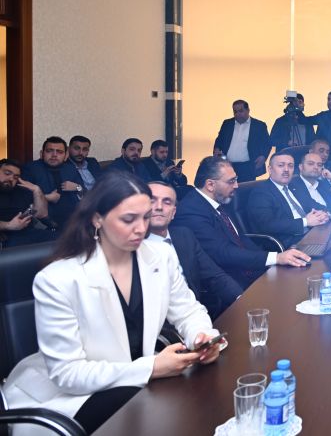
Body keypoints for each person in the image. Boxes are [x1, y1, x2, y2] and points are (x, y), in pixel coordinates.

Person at [0, 173, 222, 435]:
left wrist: (202, 337)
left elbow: (187, 310)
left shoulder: (161, 256)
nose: (141, 229)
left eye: (146, 217)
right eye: (128, 219)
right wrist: (150, 368)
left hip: (143, 382)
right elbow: (68, 374)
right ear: (97, 219)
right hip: (76, 395)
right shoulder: (57, 279)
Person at [171, 156, 310, 289]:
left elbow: (241, 239)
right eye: (231, 181)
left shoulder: (219, 201)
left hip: (244, 268)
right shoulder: (191, 211)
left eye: (236, 180)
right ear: (210, 185)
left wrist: (274, 261)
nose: (236, 186)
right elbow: (222, 252)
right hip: (226, 280)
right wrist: (275, 258)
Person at [146, 181, 241, 319]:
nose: (159, 207)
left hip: (199, 315)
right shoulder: (132, 249)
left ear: (173, 213)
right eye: (152, 201)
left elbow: (215, 276)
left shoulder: (184, 236)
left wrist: (241, 298)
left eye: (167, 202)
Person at [246, 151, 330, 248]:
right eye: (281, 165)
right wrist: (305, 221)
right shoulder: (261, 192)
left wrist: (325, 214)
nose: (286, 170)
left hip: (311, 233)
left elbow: (314, 205)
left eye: (290, 166)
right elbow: (267, 224)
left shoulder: (295, 186)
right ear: (270, 169)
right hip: (289, 243)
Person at [23, 136, 84, 228]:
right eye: (49, 151)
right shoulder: (31, 169)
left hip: (74, 218)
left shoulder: (70, 168)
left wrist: (77, 187)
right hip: (45, 221)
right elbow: (23, 198)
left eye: (59, 152)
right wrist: (45, 197)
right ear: (42, 154)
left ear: (66, 156)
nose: (54, 155)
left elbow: (84, 191)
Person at [213, 99, 271, 182]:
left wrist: (263, 156)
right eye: (235, 112)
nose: (238, 114)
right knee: (228, 188)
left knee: (246, 188)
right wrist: (217, 149)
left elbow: (266, 143)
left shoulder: (259, 125)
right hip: (228, 165)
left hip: (248, 167)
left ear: (248, 110)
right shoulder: (227, 124)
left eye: (241, 111)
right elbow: (219, 139)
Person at [0, 158, 51, 248]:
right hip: (5, 237)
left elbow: (42, 214)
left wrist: (37, 190)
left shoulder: (20, 190)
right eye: (7, 173)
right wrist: (8, 225)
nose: (11, 179)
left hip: (27, 232)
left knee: (60, 239)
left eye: (16, 177)